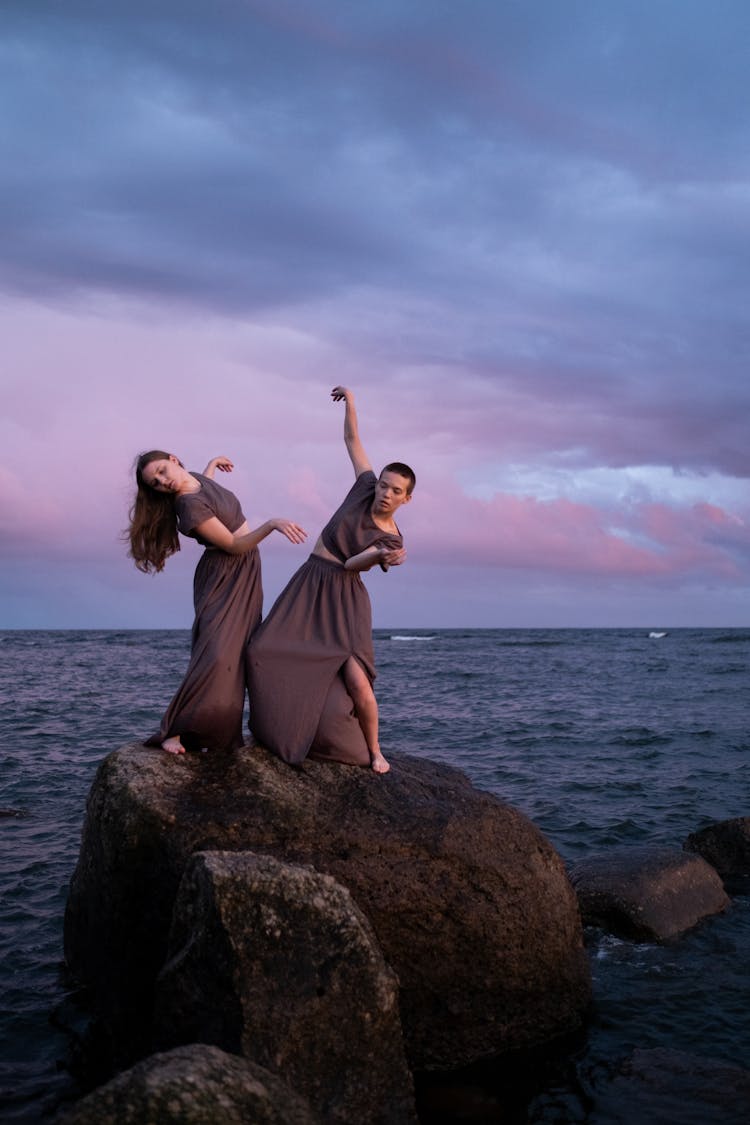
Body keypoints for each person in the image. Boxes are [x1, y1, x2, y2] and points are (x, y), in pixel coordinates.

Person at [247, 386, 415, 773]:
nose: (386, 493)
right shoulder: (362, 488)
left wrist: (380, 555)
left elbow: (354, 564)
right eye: (384, 485)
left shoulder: (391, 538)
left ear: (406, 499)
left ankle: (374, 751)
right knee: (260, 651)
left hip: (345, 598)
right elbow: (352, 440)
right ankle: (268, 730)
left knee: (357, 682)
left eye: (396, 491)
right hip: (308, 583)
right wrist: (353, 403)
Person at [127, 450, 307, 754]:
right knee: (216, 654)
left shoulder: (194, 480)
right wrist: (272, 524)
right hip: (225, 572)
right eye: (155, 483)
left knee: (239, 653)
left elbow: (204, 488)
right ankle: (175, 730)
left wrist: (211, 464)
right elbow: (235, 545)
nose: (162, 481)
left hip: (246, 571)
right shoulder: (187, 506)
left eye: (161, 471)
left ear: (174, 459)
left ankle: (212, 730)